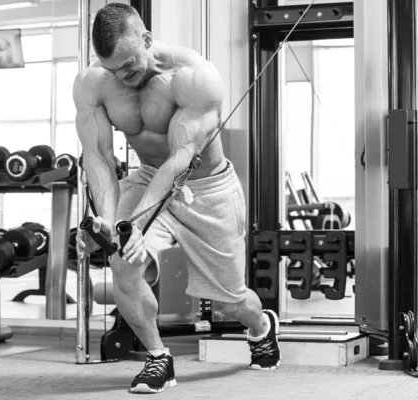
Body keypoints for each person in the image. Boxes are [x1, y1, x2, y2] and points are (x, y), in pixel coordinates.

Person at [74, 3, 281, 394]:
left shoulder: (194, 77)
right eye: (113, 68)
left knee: (231, 301)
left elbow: (180, 159)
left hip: (206, 189)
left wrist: (134, 224)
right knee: (123, 262)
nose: (123, 75)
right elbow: (98, 157)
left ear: (147, 40)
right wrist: (108, 221)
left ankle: (261, 327)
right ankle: (158, 358)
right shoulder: (93, 83)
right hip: (148, 176)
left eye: (129, 64)